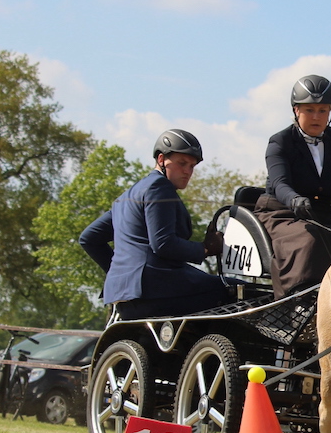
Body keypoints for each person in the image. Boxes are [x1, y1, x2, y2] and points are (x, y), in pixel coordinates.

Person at [253, 74, 331, 300]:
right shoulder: (280, 141)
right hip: (282, 214)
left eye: (323, 110)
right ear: (296, 110)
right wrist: (294, 200)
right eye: (309, 110)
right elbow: (279, 183)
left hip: (321, 215)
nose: (316, 117)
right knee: (309, 241)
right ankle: (295, 302)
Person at [80, 129, 229, 320]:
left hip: (124, 295)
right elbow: (163, 244)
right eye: (182, 163)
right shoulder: (159, 187)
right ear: (161, 159)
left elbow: (89, 238)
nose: (187, 171)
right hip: (156, 290)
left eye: (192, 166)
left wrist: (121, 274)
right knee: (237, 290)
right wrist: (206, 249)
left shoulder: (126, 197)